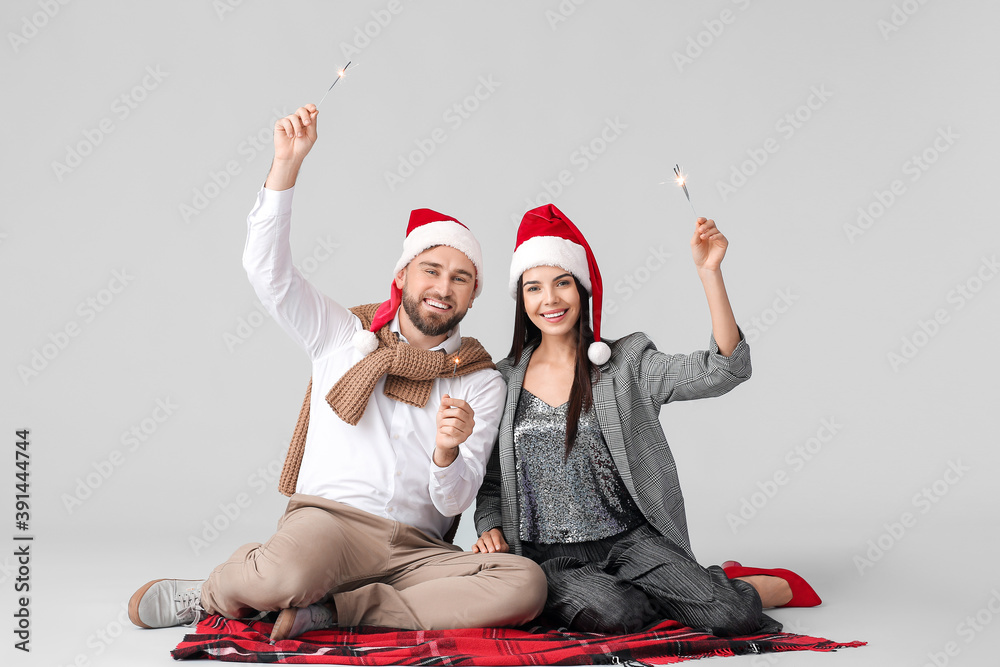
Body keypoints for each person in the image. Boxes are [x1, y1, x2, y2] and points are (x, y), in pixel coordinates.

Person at [128, 104, 546, 642]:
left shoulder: (480, 379)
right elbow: (267, 273)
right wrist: (286, 167)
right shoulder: (342, 335)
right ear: (403, 275)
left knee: (524, 585)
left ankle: (337, 611)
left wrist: (447, 454)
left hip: (420, 550)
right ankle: (212, 591)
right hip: (330, 527)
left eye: (460, 278)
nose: (443, 288)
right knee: (282, 574)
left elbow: (454, 502)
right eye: (431, 270)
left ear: (473, 294)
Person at [473, 204, 820, 636]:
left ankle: (721, 586)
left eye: (562, 283)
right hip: (549, 555)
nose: (550, 300)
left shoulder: (625, 364)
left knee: (733, 618)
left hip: (630, 541)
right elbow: (490, 481)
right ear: (521, 300)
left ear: (582, 289)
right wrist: (489, 525)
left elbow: (724, 370)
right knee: (617, 615)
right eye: (534, 288)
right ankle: (684, 590)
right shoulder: (502, 381)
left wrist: (710, 272)